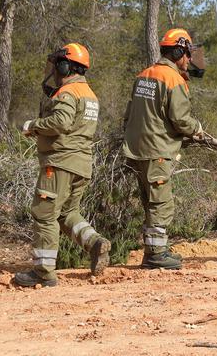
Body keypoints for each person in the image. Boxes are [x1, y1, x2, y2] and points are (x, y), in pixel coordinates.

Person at [14, 43, 111, 287]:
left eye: (58, 65)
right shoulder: (89, 95)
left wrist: (33, 126)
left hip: (59, 163)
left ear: (67, 66)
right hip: (81, 165)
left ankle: (44, 272)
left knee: (44, 214)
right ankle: (94, 243)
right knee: (68, 213)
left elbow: (61, 121)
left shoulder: (68, 93)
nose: (55, 71)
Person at [123, 28, 204, 270]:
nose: (189, 60)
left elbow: (130, 114)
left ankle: (152, 252)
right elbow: (180, 119)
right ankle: (157, 254)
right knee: (161, 203)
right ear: (178, 52)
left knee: (149, 201)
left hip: (136, 150)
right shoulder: (172, 79)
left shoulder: (144, 75)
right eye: (187, 54)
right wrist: (197, 128)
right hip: (157, 150)